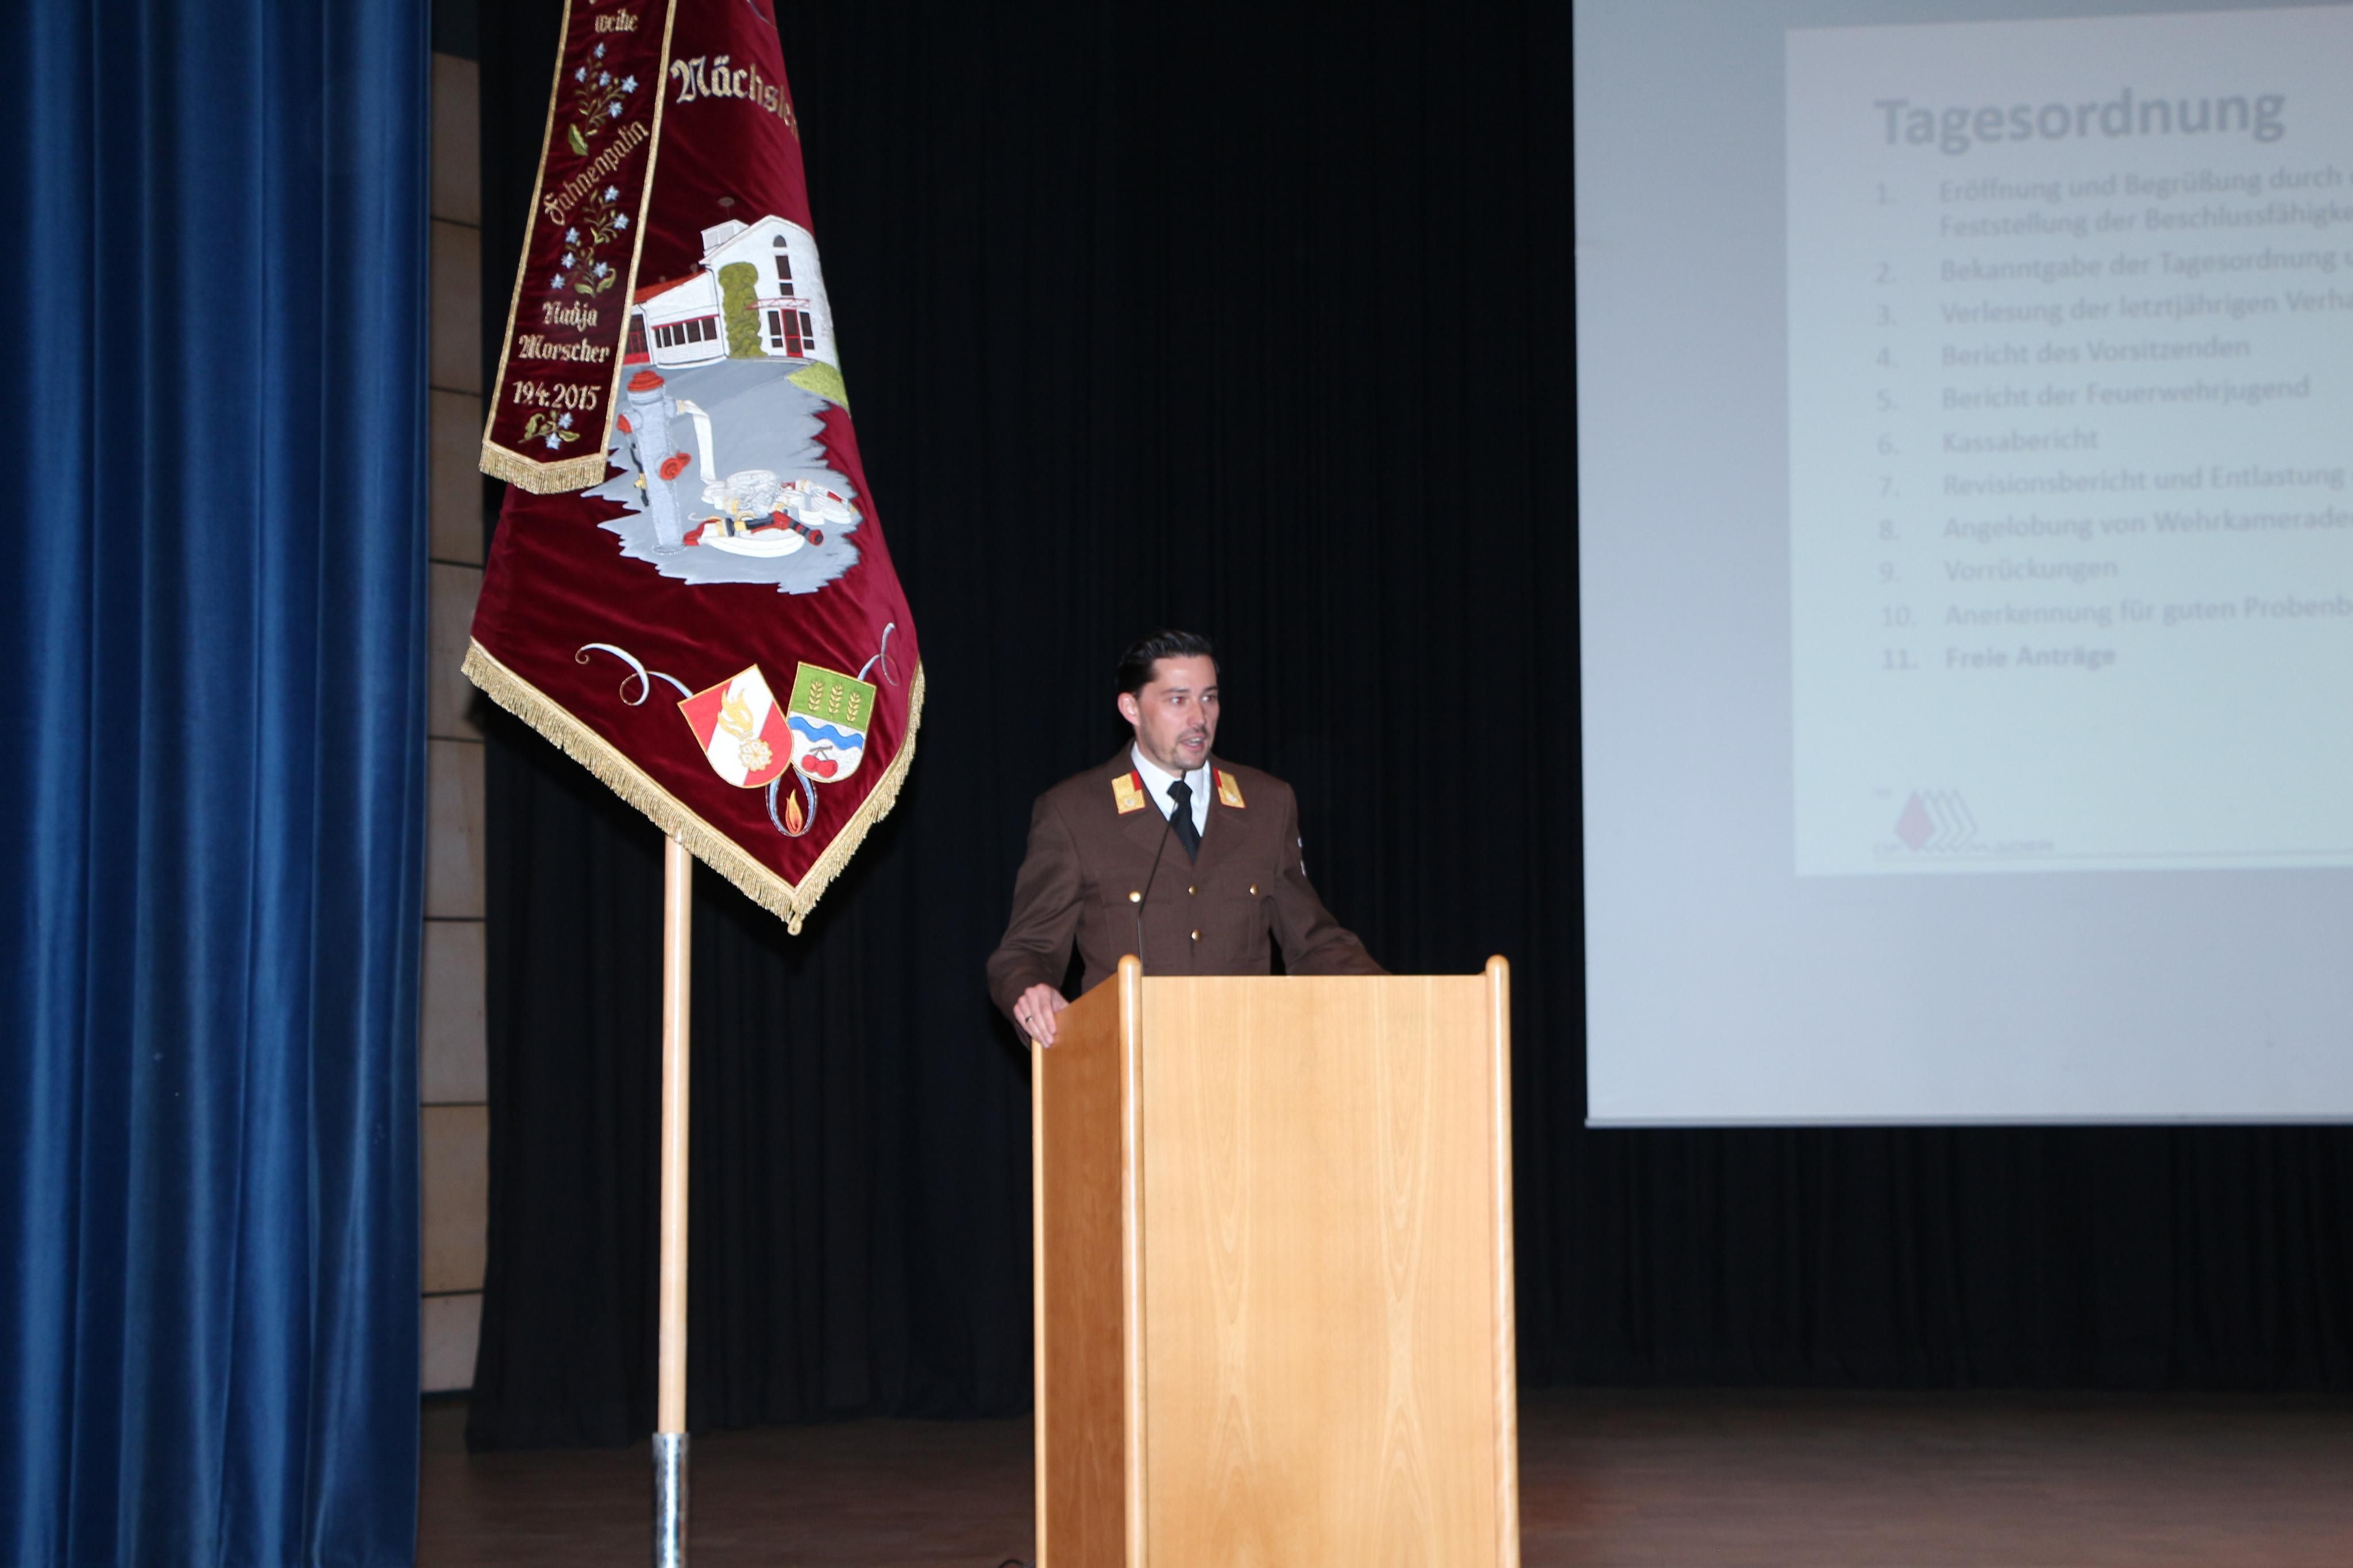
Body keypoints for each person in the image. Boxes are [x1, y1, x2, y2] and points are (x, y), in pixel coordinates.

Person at [988, 629, 1383, 1045]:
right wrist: (1031, 990)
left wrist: (1389, 997)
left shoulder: (1267, 803)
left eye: (1209, 698)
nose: (1199, 718)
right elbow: (1025, 951)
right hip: (1130, 1063)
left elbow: (1313, 942)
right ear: (1131, 708)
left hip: (1247, 1061)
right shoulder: (1076, 813)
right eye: (1178, 701)